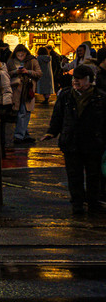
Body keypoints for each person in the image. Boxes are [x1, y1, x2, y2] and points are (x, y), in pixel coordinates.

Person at [42, 63, 106, 216]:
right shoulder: (66, 95)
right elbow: (58, 116)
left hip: (93, 142)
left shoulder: (100, 97)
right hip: (71, 141)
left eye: (80, 79)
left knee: (93, 175)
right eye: (74, 78)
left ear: (89, 80)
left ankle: (93, 202)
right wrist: (52, 132)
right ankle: (77, 203)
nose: (76, 81)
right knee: (74, 174)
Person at [8, 44, 40, 146]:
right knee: (21, 112)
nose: (21, 55)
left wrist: (28, 72)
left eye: (23, 53)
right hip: (16, 90)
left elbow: (39, 73)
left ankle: (20, 135)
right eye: (19, 53)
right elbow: (6, 74)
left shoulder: (32, 61)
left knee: (25, 111)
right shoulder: (11, 61)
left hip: (27, 90)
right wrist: (16, 72)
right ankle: (22, 134)